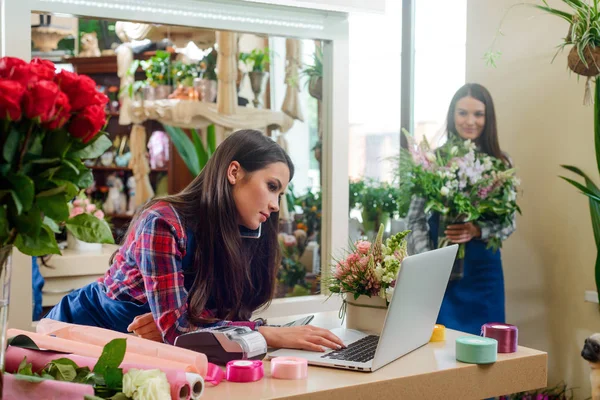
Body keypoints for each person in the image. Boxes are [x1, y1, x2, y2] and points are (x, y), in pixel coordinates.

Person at [47, 129, 344, 353]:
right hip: (77, 337)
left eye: (280, 194)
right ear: (234, 172)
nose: (276, 204)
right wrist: (268, 334)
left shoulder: (243, 231)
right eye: (271, 187)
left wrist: (185, 325)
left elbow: (203, 324)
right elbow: (179, 332)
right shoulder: (162, 222)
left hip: (145, 351)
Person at [406, 83, 516, 335]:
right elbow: (414, 219)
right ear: (452, 115)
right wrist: (430, 260)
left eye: (478, 114)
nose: (470, 121)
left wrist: (477, 229)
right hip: (444, 273)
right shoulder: (433, 161)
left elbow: (509, 223)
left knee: (488, 347)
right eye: (462, 113)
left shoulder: (501, 163)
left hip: (484, 274)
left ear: (488, 119)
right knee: (441, 347)